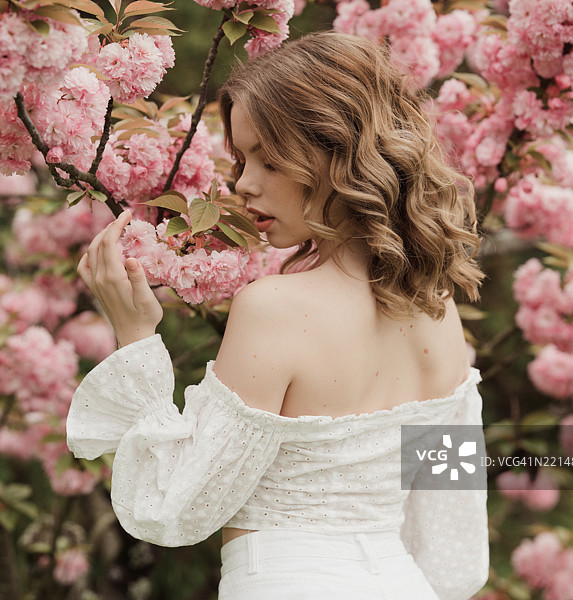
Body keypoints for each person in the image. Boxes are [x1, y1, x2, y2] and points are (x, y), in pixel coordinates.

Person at [68, 31, 488, 600]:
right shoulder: (442, 318)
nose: (243, 184)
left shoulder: (273, 309)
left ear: (339, 153)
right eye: (243, 160)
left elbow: (170, 508)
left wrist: (135, 335)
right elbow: (455, 549)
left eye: (269, 159)